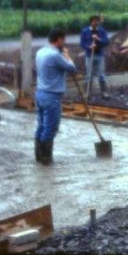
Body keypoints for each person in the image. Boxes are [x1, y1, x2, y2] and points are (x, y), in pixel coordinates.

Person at [35, 28, 77, 165]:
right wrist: (67, 55)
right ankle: (46, 159)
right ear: (59, 40)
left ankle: (39, 157)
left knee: (41, 126)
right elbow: (72, 69)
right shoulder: (55, 55)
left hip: (40, 93)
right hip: (51, 96)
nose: (64, 43)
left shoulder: (40, 52)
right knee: (50, 128)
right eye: (63, 40)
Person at [80, 15, 110, 100]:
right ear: (91, 22)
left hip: (100, 56)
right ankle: (87, 93)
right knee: (89, 75)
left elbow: (106, 42)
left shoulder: (101, 31)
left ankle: (104, 92)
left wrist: (98, 39)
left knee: (101, 75)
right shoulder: (85, 31)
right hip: (89, 56)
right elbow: (82, 43)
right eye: (94, 21)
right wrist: (89, 46)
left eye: (97, 21)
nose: (96, 23)